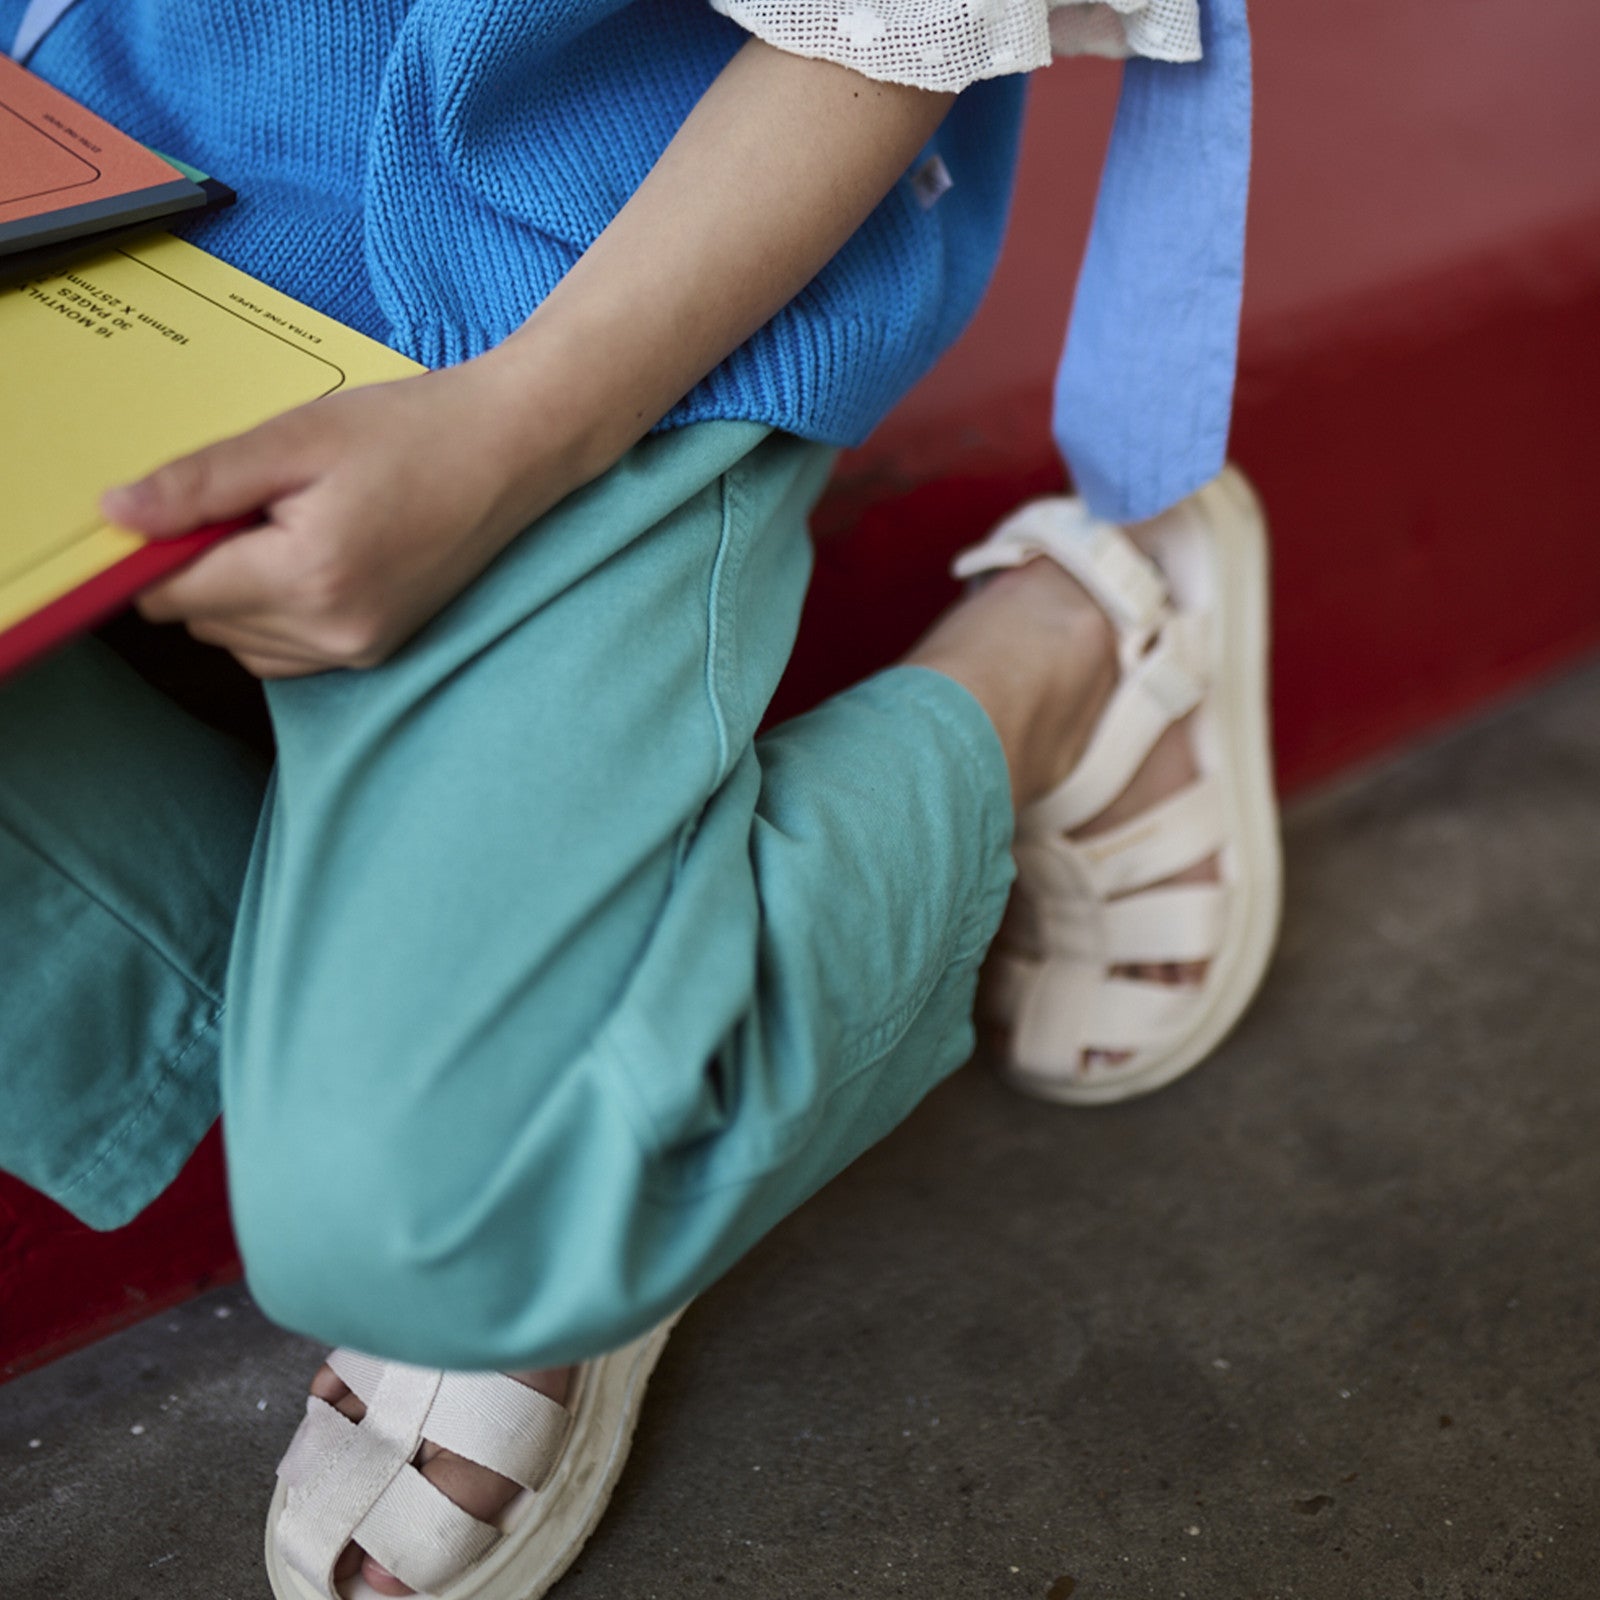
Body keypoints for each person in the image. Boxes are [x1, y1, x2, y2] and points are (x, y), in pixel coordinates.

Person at [0, 1, 1275, 1596]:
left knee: (452, 1221)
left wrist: (519, 429)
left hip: (572, 263)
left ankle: (1072, 648)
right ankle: (540, 1015)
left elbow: (896, 29)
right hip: (84, 181)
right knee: (469, 1113)